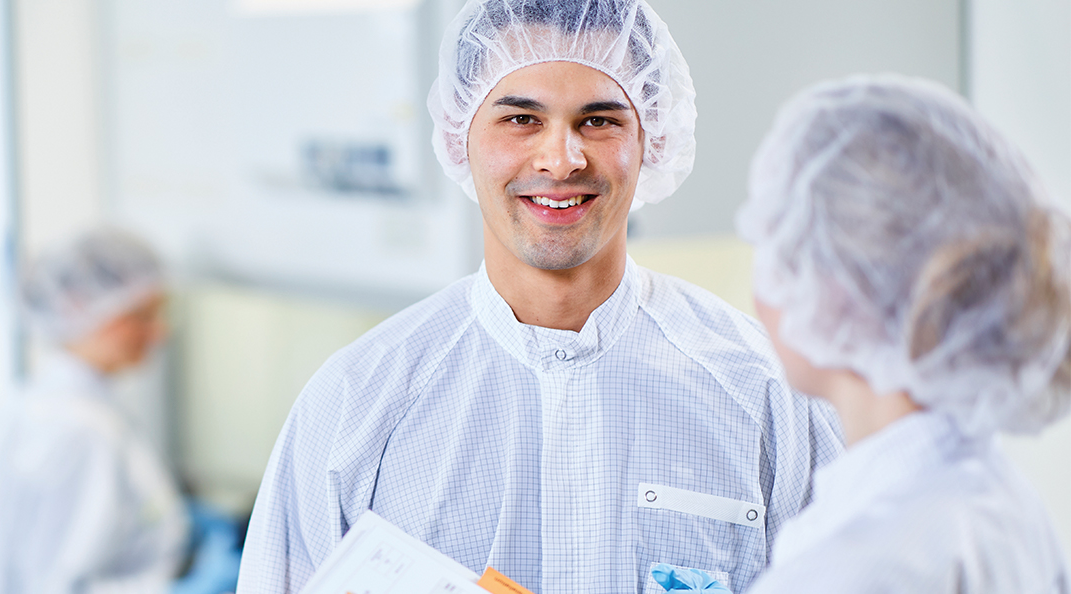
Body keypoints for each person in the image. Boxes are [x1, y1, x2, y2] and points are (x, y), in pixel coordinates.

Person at [236, 1, 842, 592]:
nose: (561, 159)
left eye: (599, 120)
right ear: (459, 137)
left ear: (651, 139)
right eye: (521, 119)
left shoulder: (765, 393)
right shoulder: (358, 403)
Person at [738, 75, 1071, 592]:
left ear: (838, 291)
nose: (763, 273)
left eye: (779, 238)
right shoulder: (1001, 500)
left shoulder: (847, 569)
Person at [0, 228, 190, 594]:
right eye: (142, 316)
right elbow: (63, 585)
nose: (159, 332)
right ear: (81, 307)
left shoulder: (43, 403)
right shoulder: (82, 430)